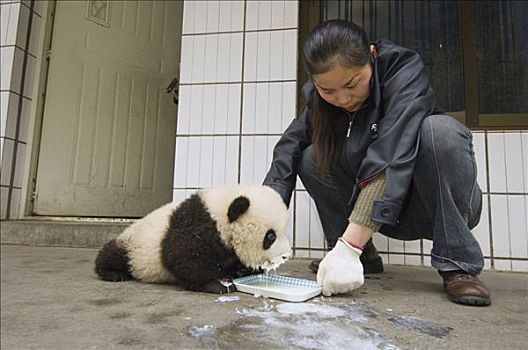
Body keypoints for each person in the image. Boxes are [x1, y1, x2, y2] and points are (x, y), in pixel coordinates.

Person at [263, 19, 491, 306]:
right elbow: (287, 150)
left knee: (439, 131)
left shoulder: (403, 70)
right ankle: (359, 258)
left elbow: (391, 152)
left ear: (371, 55)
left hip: (437, 205)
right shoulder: (322, 99)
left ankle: (458, 263)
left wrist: (350, 244)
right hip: (388, 215)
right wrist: (264, 222)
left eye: (352, 84)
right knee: (311, 158)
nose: (342, 99)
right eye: (328, 91)